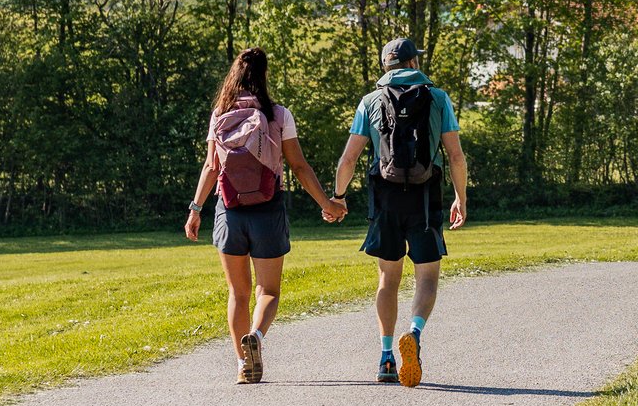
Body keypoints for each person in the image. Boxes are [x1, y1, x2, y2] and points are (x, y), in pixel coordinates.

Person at [183, 47, 341, 384]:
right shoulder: (279, 115)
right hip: (268, 210)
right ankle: (256, 336)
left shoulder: (219, 114)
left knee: (237, 293)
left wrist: (195, 209)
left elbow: (212, 167)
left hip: (230, 210)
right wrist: (326, 203)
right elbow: (298, 166)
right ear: (264, 76)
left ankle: (243, 364)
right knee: (267, 291)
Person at [329, 34, 468, 387]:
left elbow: (348, 158)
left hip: (385, 200)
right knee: (427, 277)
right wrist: (460, 198)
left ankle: (387, 357)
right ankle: (415, 334)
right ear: (413, 63)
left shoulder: (370, 101)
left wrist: (338, 196)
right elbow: (455, 156)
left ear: (385, 66)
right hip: (424, 200)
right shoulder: (437, 98)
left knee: (387, 279)